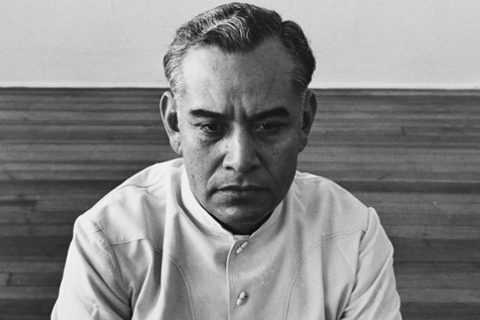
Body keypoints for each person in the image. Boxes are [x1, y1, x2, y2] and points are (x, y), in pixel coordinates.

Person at [52, 3, 402, 319]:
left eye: (267, 126)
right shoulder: (109, 238)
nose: (240, 160)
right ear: (175, 124)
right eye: (211, 127)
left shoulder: (353, 234)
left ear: (304, 121)